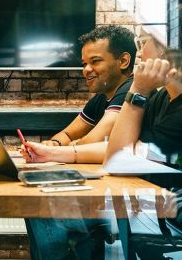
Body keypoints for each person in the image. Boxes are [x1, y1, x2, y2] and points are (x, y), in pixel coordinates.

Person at [25, 25, 182, 260]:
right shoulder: (160, 98)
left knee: (50, 208)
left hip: (165, 218)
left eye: (143, 43)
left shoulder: (161, 104)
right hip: (146, 204)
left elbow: (118, 159)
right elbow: (122, 149)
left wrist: (138, 89)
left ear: (167, 49)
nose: (139, 54)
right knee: (42, 204)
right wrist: (50, 153)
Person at [22, 25, 136, 165]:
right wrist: (53, 144)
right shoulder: (102, 96)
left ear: (123, 61)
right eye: (84, 63)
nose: (86, 70)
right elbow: (67, 134)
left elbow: (94, 141)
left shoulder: (132, 90)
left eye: (95, 61)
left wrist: (66, 147)